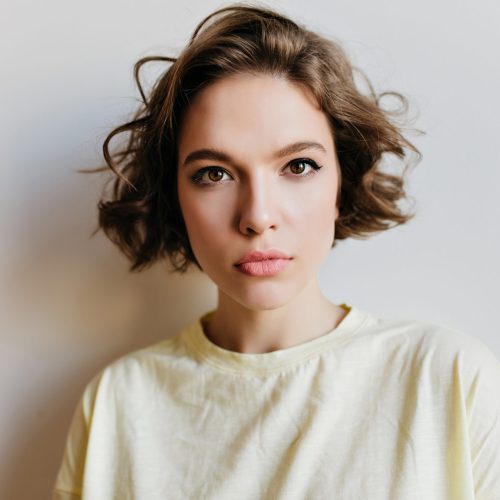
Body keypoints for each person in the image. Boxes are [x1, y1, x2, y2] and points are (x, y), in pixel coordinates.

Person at [53, 4, 500, 499]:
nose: (257, 216)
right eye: (213, 174)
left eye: (299, 166)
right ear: (174, 198)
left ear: (342, 182)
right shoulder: (120, 402)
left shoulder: (447, 379)